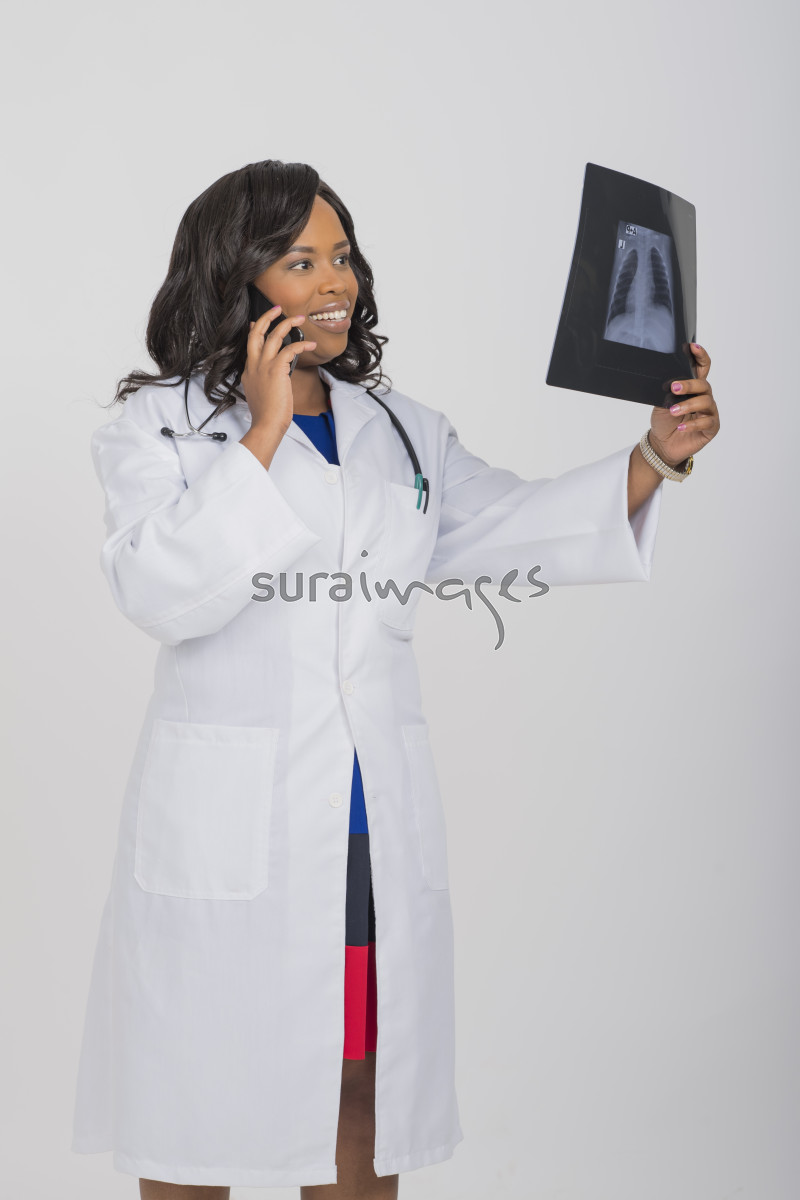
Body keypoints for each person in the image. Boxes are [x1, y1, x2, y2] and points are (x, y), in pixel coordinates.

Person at [71, 160, 720, 1200]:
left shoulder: (401, 428)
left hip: (366, 824)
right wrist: (263, 432)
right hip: (231, 823)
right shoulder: (160, 427)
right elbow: (159, 591)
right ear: (236, 276)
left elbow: (509, 525)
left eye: (342, 257)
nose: (335, 281)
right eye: (300, 261)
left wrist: (654, 455)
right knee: (195, 1103)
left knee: (360, 1090)